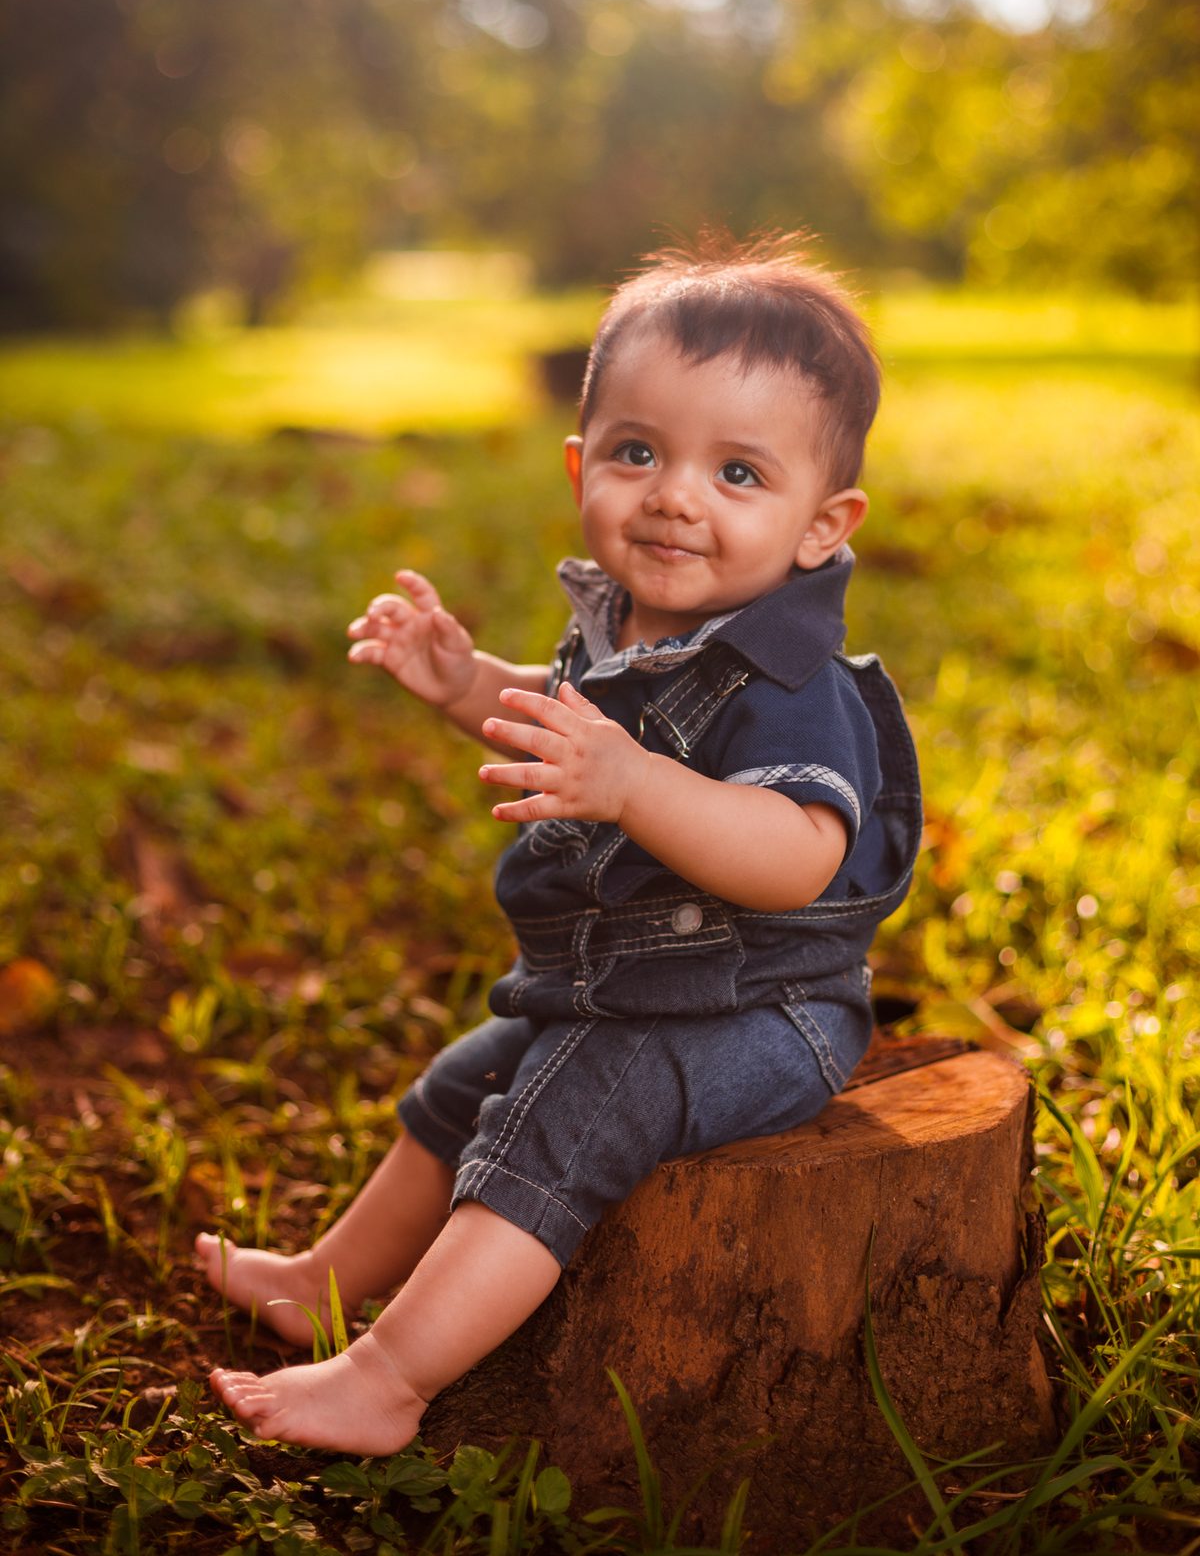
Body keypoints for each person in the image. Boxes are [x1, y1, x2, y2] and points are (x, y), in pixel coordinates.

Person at [199, 231, 922, 1455]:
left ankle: (386, 1381)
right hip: (622, 984)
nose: (676, 495)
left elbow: (797, 852)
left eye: (738, 472)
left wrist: (634, 784)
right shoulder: (631, 626)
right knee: (464, 1085)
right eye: (640, 453)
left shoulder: (791, 678)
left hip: (760, 1014)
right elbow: (562, 718)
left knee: (562, 1117)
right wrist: (462, 681)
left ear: (821, 525)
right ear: (582, 464)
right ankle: (323, 1280)